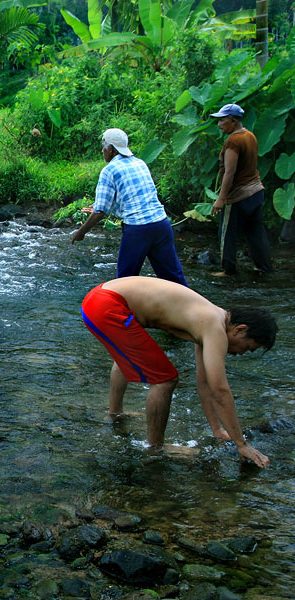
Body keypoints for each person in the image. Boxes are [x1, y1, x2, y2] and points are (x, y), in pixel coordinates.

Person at [80, 276, 277, 468]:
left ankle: (115, 414)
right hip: (108, 305)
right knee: (165, 379)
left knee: (129, 354)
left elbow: (206, 383)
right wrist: (241, 444)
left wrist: (217, 430)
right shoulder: (214, 327)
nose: (241, 353)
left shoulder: (209, 319)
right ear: (240, 330)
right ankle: (155, 448)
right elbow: (220, 391)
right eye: (247, 347)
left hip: (98, 299)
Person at [71, 128, 188, 286]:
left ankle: (124, 311)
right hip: (161, 224)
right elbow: (132, 199)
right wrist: (99, 207)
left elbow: (101, 211)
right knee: (174, 278)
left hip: (139, 229)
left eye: (103, 146)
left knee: (125, 280)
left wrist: (81, 232)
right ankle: (190, 309)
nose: (102, 150)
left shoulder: (109, 170)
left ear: (111, 149)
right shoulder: (140, 163)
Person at [208, 103, 272, 275]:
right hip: (256, 191)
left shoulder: (233, 141)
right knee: (256, 233)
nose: (219, 124)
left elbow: (230, 171)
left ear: (233, 121)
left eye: (222, 120)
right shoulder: (250, 135)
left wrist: (221, 199)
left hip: (238, 196)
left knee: (227, 234)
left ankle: (227, 270)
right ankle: (264, 267)